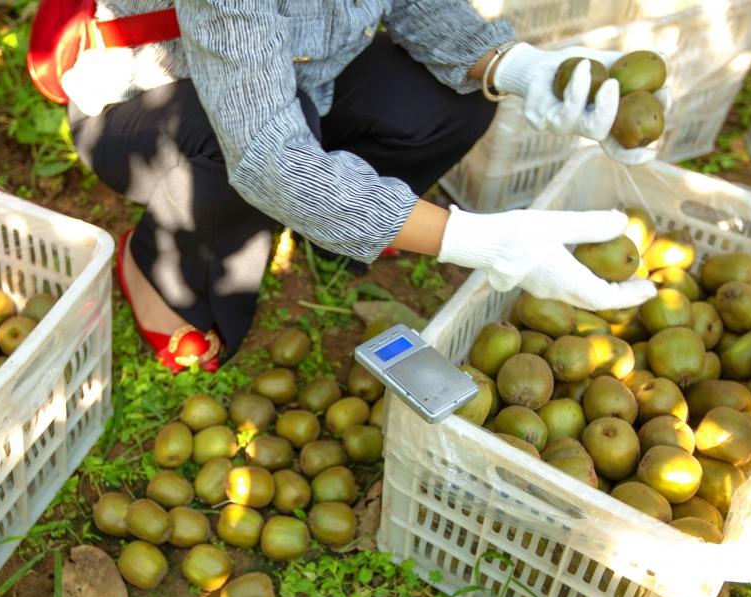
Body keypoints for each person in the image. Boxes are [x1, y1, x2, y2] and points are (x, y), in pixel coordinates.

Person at [60, 0, 665, 372]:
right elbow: (267, 154)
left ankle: (347, 223)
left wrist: (519, 69)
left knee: (454, 101)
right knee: (246, 152)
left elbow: (414, 6)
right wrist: (477, 240)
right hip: (144, 104)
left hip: (308, 81)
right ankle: (157, 272)